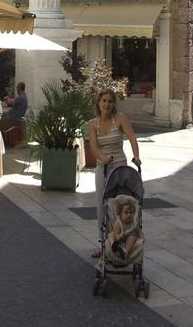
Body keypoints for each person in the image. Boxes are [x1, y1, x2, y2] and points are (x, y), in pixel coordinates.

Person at [88, 89, 141, 258]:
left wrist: (136, 157)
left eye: (110, 101)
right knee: (101, 206)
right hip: (102, 168)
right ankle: (104, 244)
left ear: (113, 104)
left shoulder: (120, 119)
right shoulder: (92, 123)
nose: (107, 104)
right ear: (98, 103)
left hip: (119, 168)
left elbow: (132, 137)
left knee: (119, 205)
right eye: (104, 101)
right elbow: (93, 147)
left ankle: (123, 239)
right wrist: (102, 158)